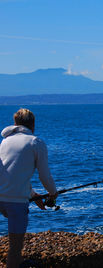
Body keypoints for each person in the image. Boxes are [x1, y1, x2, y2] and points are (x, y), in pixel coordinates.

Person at [0, 108, 57, 268]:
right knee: (15, 250)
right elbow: (44, 176)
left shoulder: (4, 142)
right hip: (16, 203)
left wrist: (32, 194)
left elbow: (9, 175)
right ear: (33, 124)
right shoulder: (35, 143)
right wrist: (53, 194)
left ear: (15, 123)